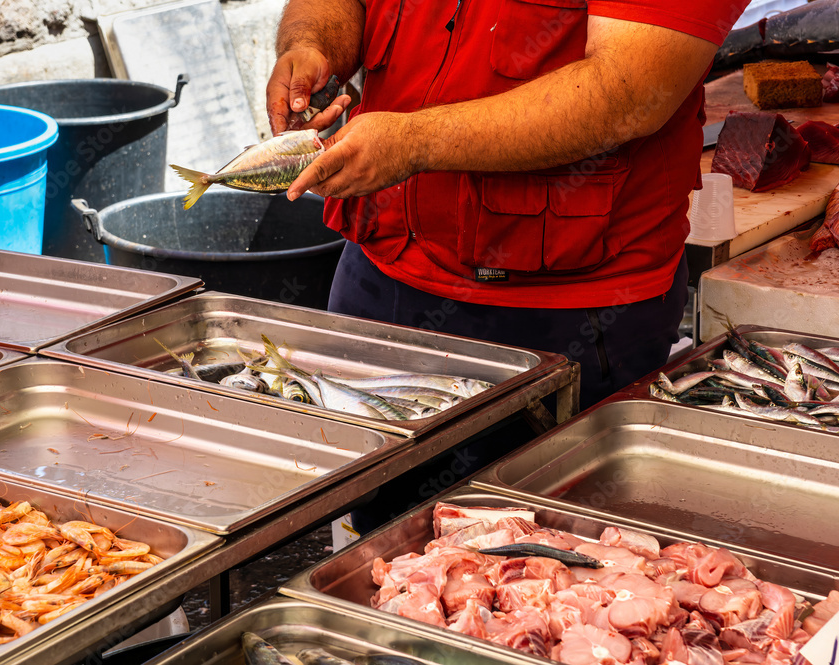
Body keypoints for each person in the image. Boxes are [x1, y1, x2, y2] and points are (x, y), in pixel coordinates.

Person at [265, 0, 749, 532]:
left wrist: (415, 141)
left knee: (544, 576)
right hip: (378, 271)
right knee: (378, 549)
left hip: (566, 318)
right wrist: (308, 44)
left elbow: (632, 89)